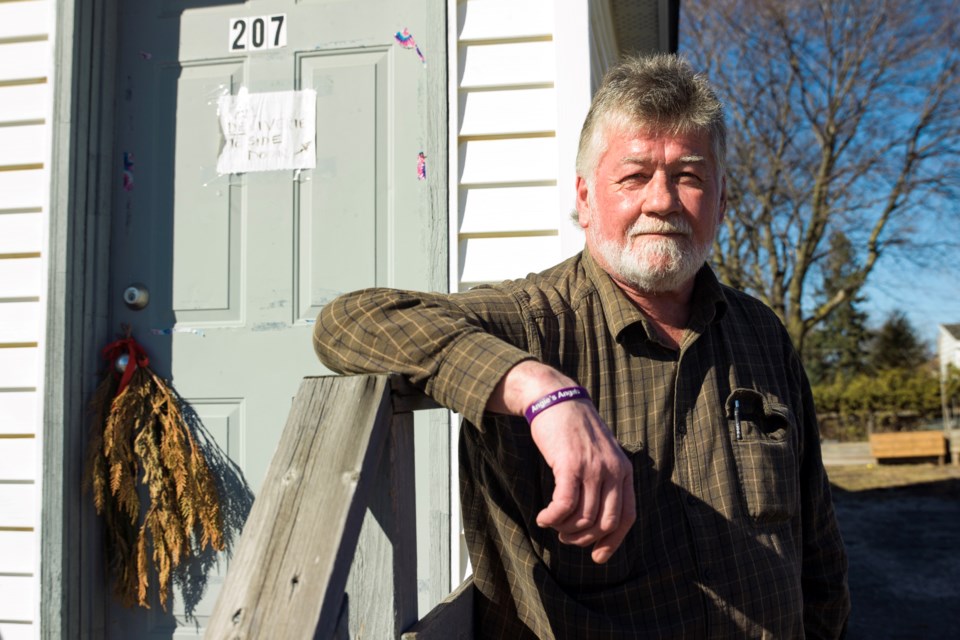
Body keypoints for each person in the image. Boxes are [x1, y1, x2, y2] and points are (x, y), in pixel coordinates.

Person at [314, 53, 850, 639]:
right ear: (586, 199)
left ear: (721, 201)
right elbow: (349, 322)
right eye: (634, 176)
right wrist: (539, 390)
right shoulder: (535, 320)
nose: (663, 200)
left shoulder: (761, 334)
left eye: (690, 176)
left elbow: (816, 541)